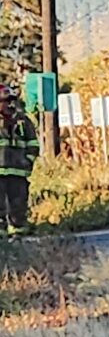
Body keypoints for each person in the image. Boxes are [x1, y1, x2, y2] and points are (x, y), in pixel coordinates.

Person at [0, 83, 39, 236]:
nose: (9, 104)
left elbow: (33, 144)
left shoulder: (23, 121)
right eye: (5, 101)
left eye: (11, 100)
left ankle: (18, 234)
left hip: (18, 172)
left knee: (18, 205)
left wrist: (28, 161)